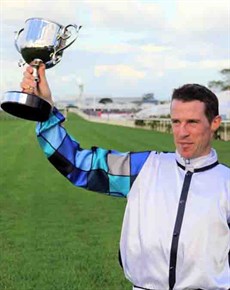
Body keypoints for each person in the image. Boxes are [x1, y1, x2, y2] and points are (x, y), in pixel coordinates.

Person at [21, 64, 230, 290]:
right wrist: (44, 110)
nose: (182, 133)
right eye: (176, 122)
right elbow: (78, 164)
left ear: (215, 123)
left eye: (192, 122)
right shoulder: (144, 167)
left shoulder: (226, 183)